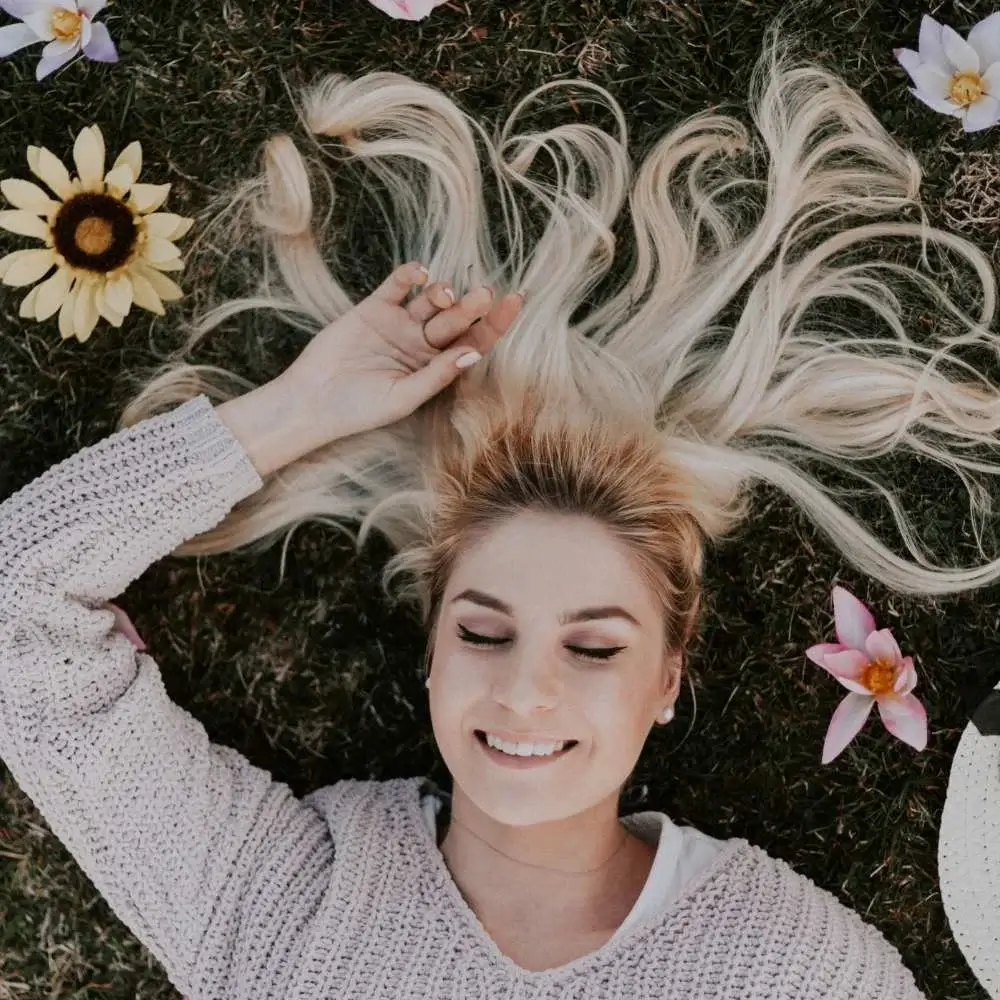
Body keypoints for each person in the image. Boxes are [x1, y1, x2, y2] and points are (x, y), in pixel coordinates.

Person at [5, 31, 1000, 998]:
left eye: (596, 648)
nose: (526, 691)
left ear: (667, 679)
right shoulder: (281, 905)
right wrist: (298, 408)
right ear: (432, 650)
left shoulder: (786, 969)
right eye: (482, 630)